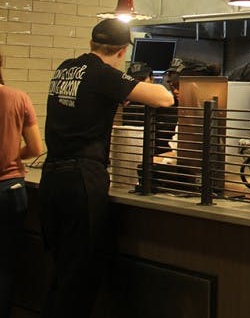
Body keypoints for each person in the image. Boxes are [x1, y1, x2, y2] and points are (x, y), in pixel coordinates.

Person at [39, 19, 174, 318]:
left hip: (51, 178)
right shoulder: (104, 74)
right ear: (123, 50)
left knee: (61, 275)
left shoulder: (65, 68)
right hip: (81, 181)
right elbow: (164, 98)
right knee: (79, 280)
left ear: (91, 44)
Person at [1, 53, 43, 318]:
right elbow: (37, 148)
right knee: (4, 266)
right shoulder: (18, 98)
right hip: (10, 190)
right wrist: (14, 156)